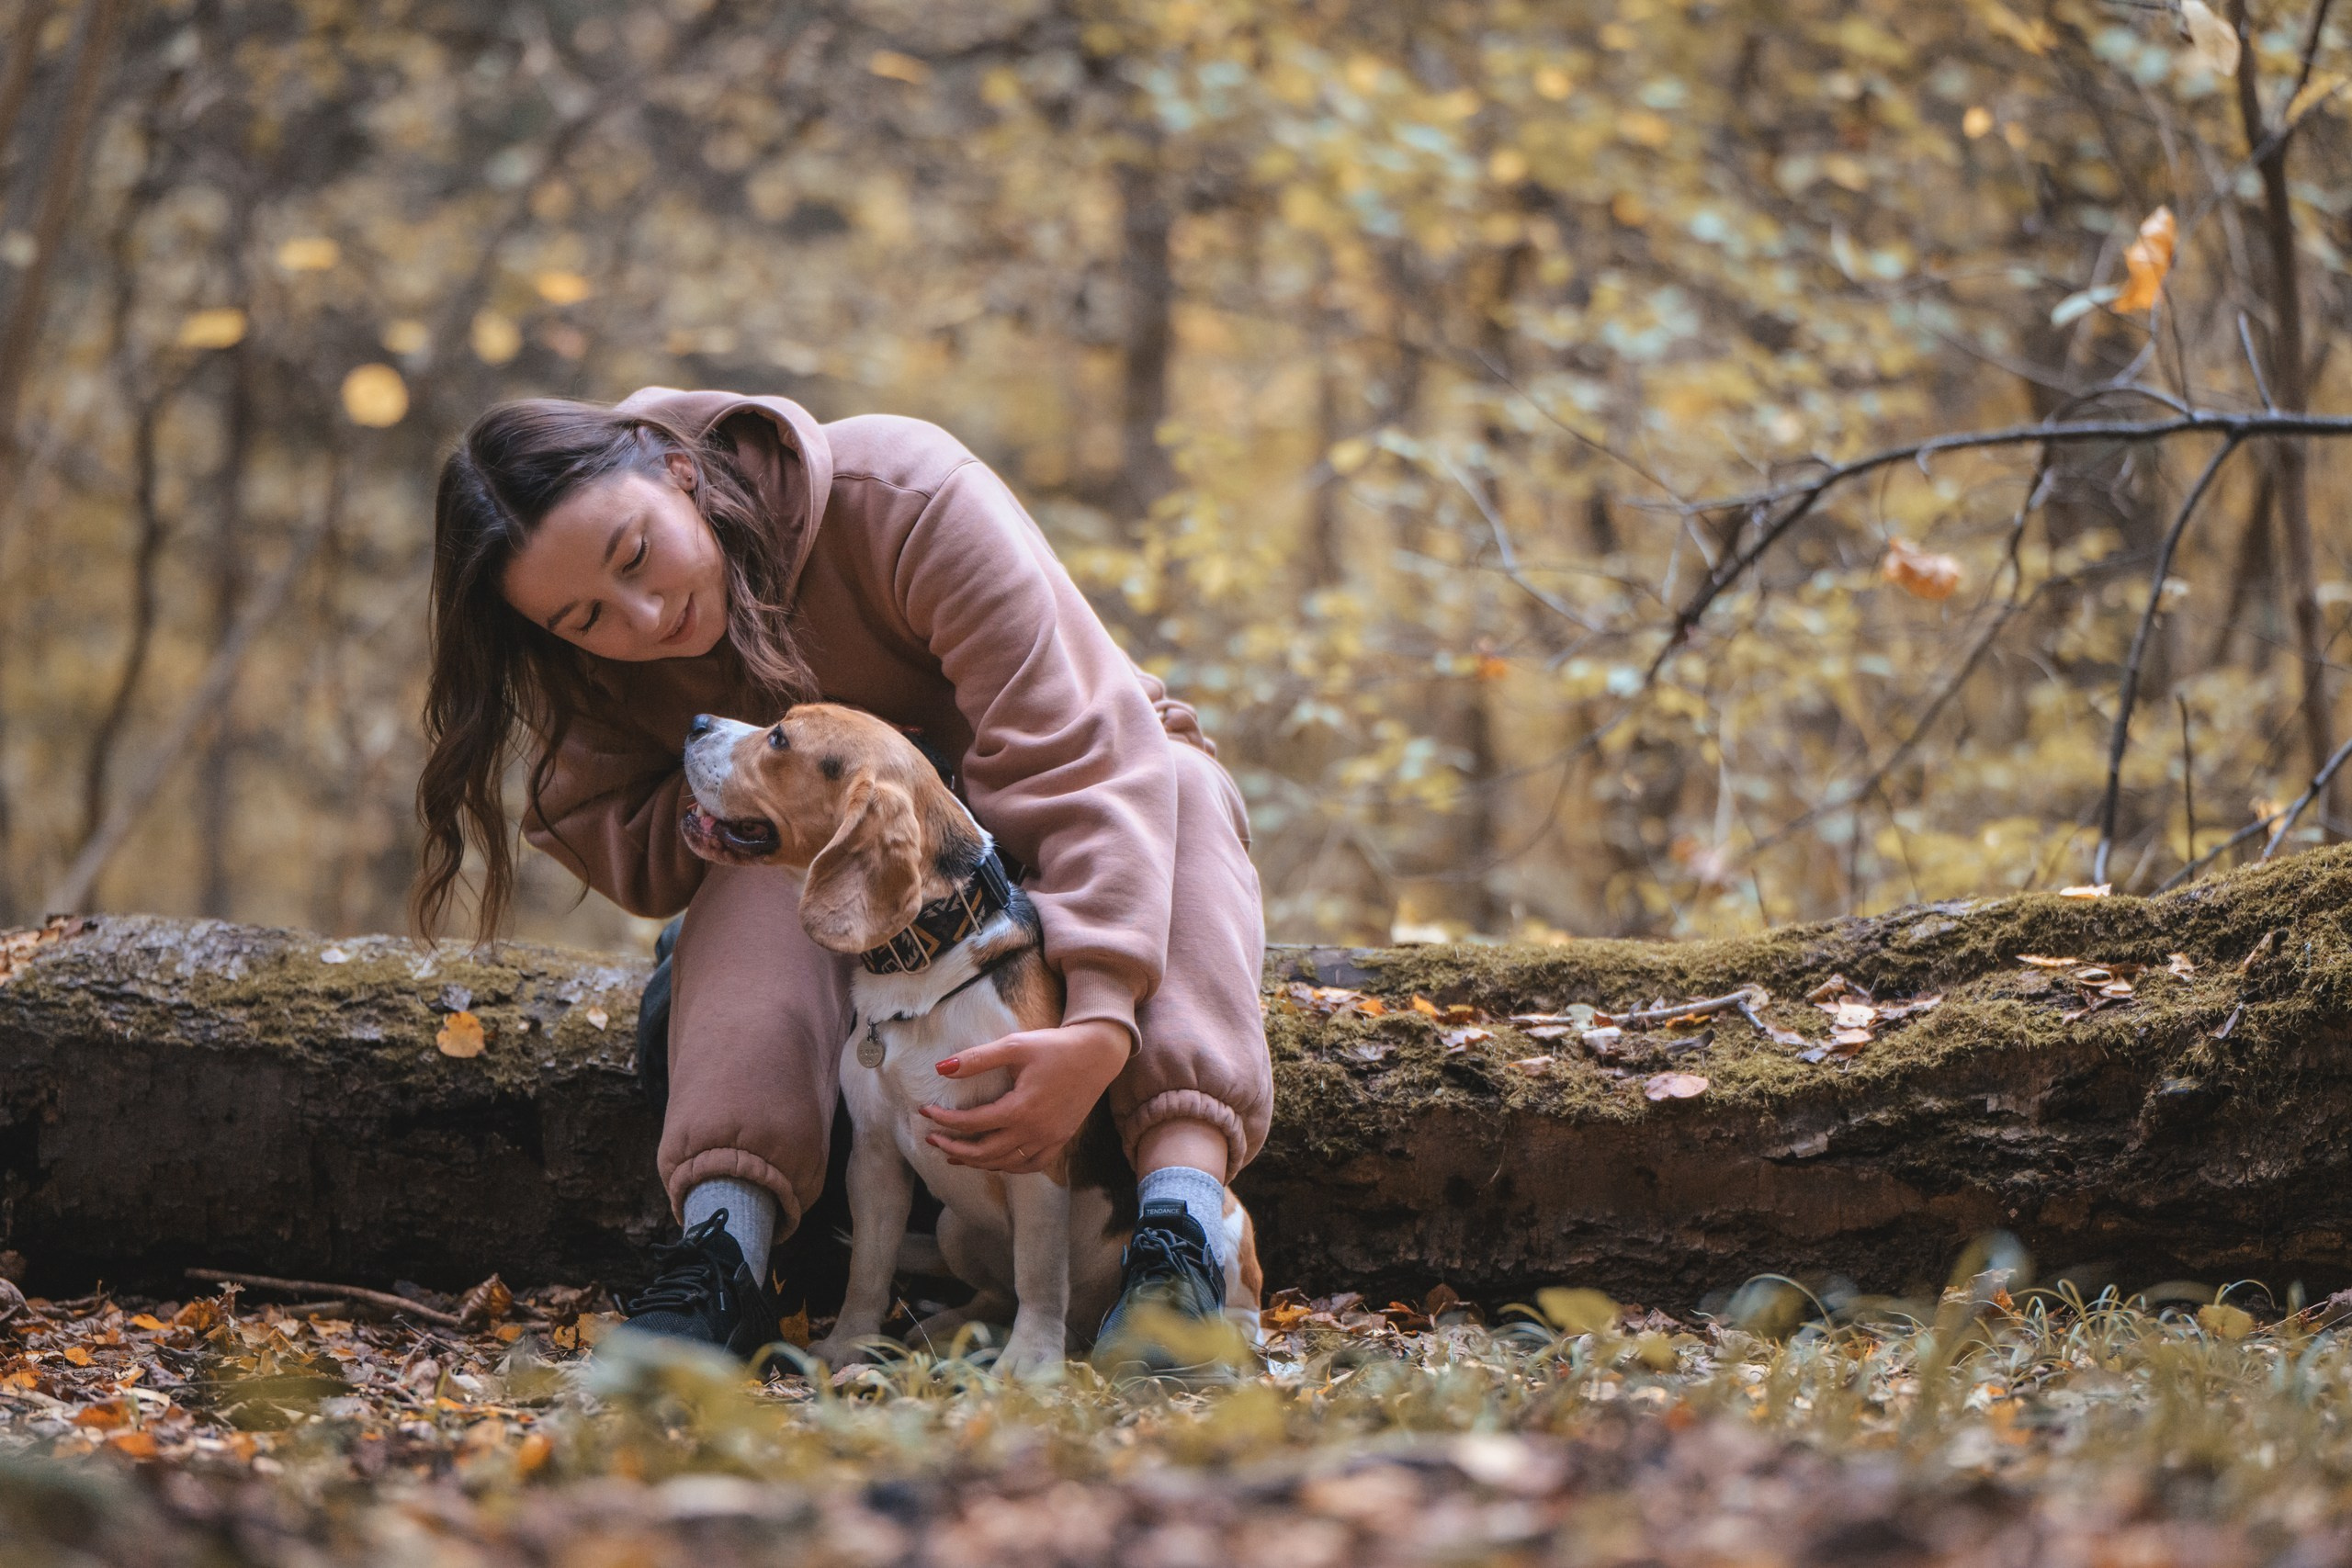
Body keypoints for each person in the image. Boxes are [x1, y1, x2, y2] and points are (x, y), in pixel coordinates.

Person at [413, 389, 1271, 1374]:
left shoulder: (906, 493)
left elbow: (1076, 760)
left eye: (637, 557)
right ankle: (722, 1259)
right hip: (849, 937)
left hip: (1073, 836)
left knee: (1185, 785)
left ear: (677, 469)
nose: (642, 618)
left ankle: (1180, 1242)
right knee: (757, 870)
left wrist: (1100, 1020)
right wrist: (741, 819)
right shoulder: (592, 666)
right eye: (586, 617)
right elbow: (636, 853)